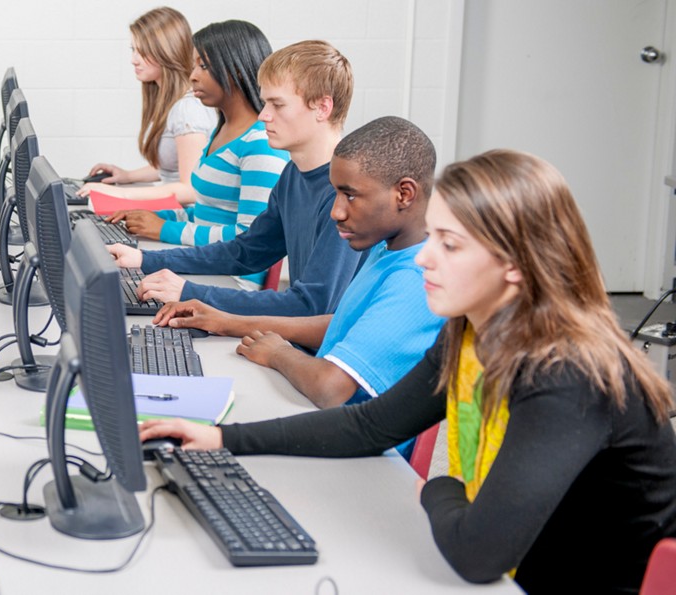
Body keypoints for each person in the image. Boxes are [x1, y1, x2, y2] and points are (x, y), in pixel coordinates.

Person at [140, 150, 676, 594]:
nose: (424, 259)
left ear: (514, 264)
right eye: (433, 237)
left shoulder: (568, 375)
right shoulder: (472, 329)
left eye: (450, 245)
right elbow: (370, 425)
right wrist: (218, 437)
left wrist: (440, 487)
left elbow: (476, 553)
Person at [155, 117, 443, 423]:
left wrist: (279, 353)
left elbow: (330, 388)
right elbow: (341, 324)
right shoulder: (388, 249)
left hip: (352, 448)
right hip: (316, 414)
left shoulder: (415, 278)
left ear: (405, 194)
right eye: (336, 194)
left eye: (351, 195)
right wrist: (227, 322)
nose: (336, 211)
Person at [108, 40, 362, 316]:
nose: (264, 115)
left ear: (323, 108)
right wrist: (145, 259)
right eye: (265, 103)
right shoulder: (294, 174)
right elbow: (246, 252)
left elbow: (310, 305)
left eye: (277, 105)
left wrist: (189, 292)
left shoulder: (347, 194)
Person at [97, 20, 290, 290]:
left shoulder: (260, 143)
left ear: (235, 68)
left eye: (204, 66)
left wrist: (163, 229)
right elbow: (206, 212)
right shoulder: (223, 130)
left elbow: (247, 240)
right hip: (211, 266)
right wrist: (156, 217)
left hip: (233, 281)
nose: (192, 76)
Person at [79, 7, 215, 206]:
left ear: (166, 52)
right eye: (133, 50)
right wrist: (126, 176)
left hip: (185, 217)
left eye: (142, 51)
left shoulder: (187, 109)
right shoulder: (171, 101)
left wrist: (118, 194)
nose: (133, 59)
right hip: (173, 210)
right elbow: (173, 168)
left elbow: (190, 189)